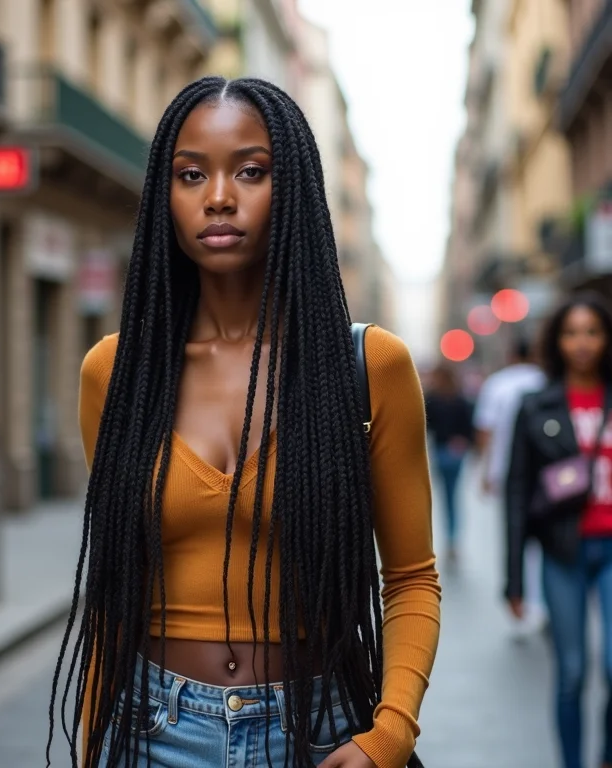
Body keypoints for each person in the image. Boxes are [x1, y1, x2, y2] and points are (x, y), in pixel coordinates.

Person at [48, 77, 441, 768]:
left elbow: (410, 578)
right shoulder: (115, 374)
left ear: (290, 191)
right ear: (164, 196)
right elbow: (116, 586)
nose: (219, 195)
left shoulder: (368, 366)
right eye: (191, 174)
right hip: (150, 732)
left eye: (251, 171)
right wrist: (92, 749)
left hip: (317, 733)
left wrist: (389, 734)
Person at [507, 293, 612, 768]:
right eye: (572, 333)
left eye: (592, 331)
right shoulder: (536, 405)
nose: (583, 343)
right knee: (571, 672)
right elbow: (517, 492)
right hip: (564, 551)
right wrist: (513, 580)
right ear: (558, 341)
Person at [475, 338, 547, 636]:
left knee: (514, 536)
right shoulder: (544, 381)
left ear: (510, 354)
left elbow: (485, 430)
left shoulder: (497, 384)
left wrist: (485, 470)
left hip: (507, 473)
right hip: (545, 475)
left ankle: (522, 602)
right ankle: (542, 602)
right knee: (546, 538)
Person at [424, 365, 474, 563]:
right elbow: (469, 428)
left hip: (441, 452)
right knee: (453, 497)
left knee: (445, 497)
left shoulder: (432, 399)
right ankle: (453, 539)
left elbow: (425, 426)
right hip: (456, 453)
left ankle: (450, 538)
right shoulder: (460, 400)